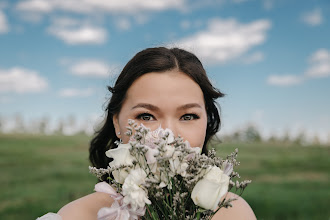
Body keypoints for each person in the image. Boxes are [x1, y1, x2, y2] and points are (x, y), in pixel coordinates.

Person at [38, 47, 256, 219]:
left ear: (207, 123)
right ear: (117, 122)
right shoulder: (75, 217)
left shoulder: (234, 213)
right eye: (146, 116)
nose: (169, 136)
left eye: (188, 116)